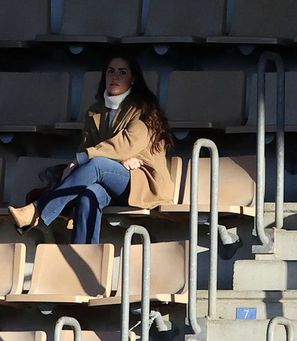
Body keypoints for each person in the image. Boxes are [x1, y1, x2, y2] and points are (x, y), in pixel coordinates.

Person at [8, 55, 174, 244]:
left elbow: (126, 145)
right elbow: (89, 147)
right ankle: (85, 255)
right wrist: (114, 161)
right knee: (89, 195)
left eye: (122, 72)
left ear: (133, 79)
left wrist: (81, 159)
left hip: (141, 180)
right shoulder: (95, 111)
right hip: (110, 178)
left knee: (96, 164)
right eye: (110, 71)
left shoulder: (143, 109)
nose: (115, 76)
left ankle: (36, 211)